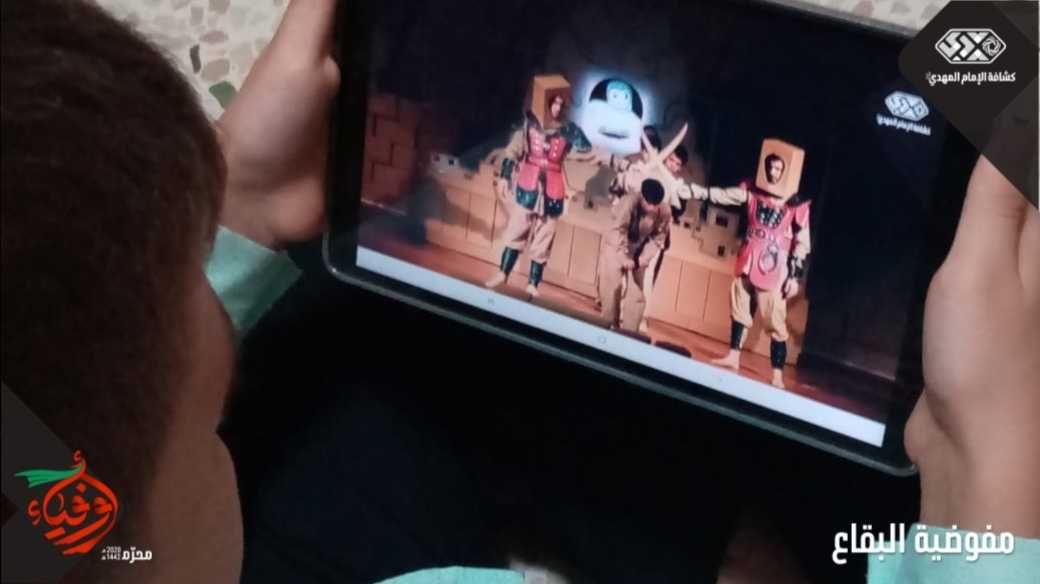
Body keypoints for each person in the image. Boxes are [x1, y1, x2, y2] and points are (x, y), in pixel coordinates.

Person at [1, 2, 1036, 583]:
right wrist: (990, 511)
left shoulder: (53, 504)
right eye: (200, 400)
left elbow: (51, 486)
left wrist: (236, 210)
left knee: (336, 319)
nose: (207, 306)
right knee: (874, 469)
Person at [692, 148, 811, 389]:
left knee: (774, 319)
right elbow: (726, 196)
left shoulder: (796, 205)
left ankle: (777, 373)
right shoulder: (752, 191)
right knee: (739, 307)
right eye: (771, 167)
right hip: (748, 258)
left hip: (774, 267)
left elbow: (803, 243)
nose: (773, 172)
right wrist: (696, 191)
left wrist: (794, 276)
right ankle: (733, 356)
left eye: (779, 168)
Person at [485, 75, 592, 298]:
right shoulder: (529, 125)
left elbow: (587, 149)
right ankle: (503, 273)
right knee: (516, 230)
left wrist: (574, 133)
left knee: (544, 238)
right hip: (528, 183)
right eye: (554, 103)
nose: (557, 108)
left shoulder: (567, 130)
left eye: (561, 104)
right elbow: (513, 151)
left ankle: (533, 283)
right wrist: (505, 176)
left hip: (553, 188)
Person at [598, 179, 672, 332]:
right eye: (649, 204)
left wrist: (643, 259)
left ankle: (630, 332)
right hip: (615, 245)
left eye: (655, 205)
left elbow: (657, 239)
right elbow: (618, 229)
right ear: (642, 197)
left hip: (639, 249)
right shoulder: (628, 202)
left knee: (636, 293)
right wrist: (623, 257)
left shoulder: (664, 212)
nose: (652, 208)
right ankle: (609, 327)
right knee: (612, 286)